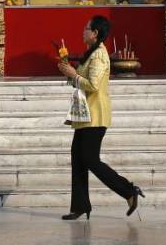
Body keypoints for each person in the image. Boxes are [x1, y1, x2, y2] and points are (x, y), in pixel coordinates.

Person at [57, 15, 144, 220]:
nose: (83, 31)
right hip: (86, 114)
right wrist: (69, 73)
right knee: (78, 158)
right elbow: (81, 80)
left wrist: (73, 74)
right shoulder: (92, 53)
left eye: (87, 28)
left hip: (95, 115)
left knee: (89, 159)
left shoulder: (99, 56)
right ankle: (80, 206)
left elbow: (93, 85)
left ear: (95, 33)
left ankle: (128, 190)